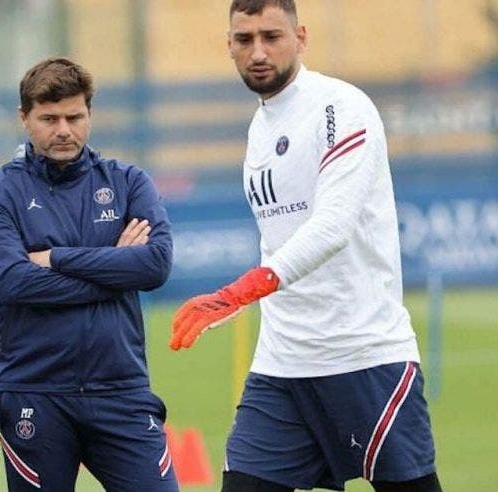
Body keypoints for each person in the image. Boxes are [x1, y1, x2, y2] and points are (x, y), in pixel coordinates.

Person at [169, 2, 442, 491]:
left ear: (301, 36)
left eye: (271, 36)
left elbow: (332, 225)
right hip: (283, 362)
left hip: (364, 354)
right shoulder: (259, 126)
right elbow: (277, 237)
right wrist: (242, 303)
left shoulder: (341, 107)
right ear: (227, 45)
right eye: (243, 39)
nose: (257, 51)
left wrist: (239, 292)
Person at [0, 57, 177, 491]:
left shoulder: (127, 182)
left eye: (74, 117)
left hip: (120, 389)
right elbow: (13, 282)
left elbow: (155, 265)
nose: (63, 129)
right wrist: (116, 266)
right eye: (49, 118)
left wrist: (57, 258)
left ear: (89, 115)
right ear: (24, 118)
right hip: (34, 392)